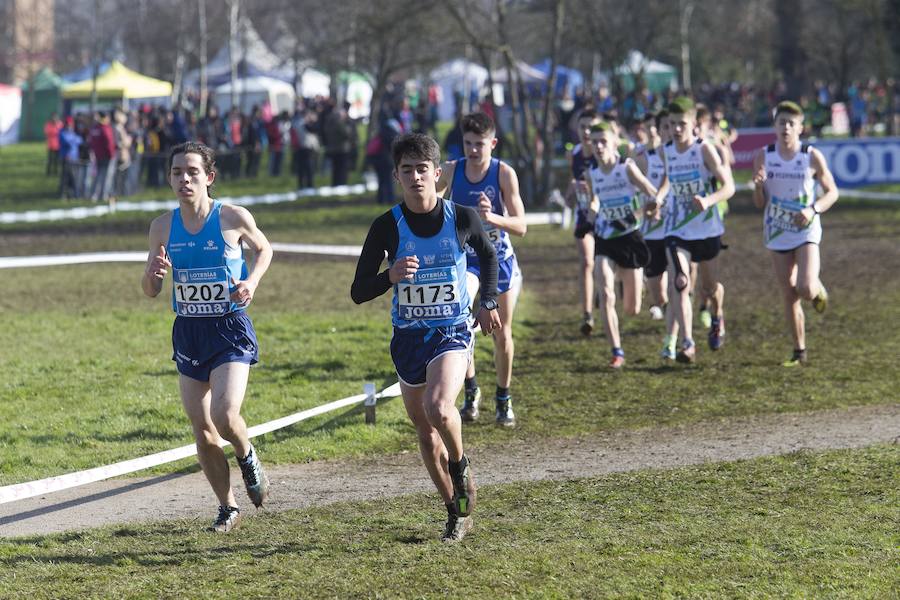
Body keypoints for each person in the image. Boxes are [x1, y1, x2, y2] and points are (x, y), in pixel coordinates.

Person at [351, 133, 501, 543]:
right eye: (407, 170)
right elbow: (358, 289)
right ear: (397, 176)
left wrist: (487, 300)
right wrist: (391, 276)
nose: (416, 177)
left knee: (439, 407)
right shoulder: (386, 226)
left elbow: (488, 256)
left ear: (437, 174)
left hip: (451, 330)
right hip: (407, 339)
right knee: (424, 430)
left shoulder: (461, 216)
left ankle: (461, 462)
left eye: (422, 169)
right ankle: (454, 509)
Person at [141, 141, 273, 533]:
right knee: (201, 428)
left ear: (209, 178)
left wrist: (251, 281)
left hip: (229, 327)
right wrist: (154, 275)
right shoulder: (162, 227)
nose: (184, 179)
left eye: (192, 172)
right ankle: (227, 507)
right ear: (169, 179)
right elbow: (149, 289)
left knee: (225, 415)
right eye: (177, 172)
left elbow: (264, 249)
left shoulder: (232, 217)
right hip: (188, 331)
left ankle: (247, 455)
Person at [436, 112, 526, 426]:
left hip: (499, 261)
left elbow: (521, 226)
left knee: (502, 333)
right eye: (468, 143)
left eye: (480, 144)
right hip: (466, 263)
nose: (473, 150)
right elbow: (427, 203)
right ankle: (471, 391)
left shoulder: (504, 174)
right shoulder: (451, 170)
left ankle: (504, 397)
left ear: (493, 143)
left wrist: (493, 218)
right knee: (463, 326)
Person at [752, 100, 838, 366]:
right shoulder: (764, 155)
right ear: (775, 126)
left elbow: (832, 192)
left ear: (801, 128)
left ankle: (817, 290)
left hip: (805, 229)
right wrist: (758, 187)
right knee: (788, 294)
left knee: (804, 287)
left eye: (791, 123)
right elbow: (760, 204)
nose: (786, 128)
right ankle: (799, 351)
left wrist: (813, 210)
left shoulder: (810, 156)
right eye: (781, 123)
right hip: (777, 231)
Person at [657, 97, 735, 363]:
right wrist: (657, 199)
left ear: (693, 124)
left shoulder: (704, 150)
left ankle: (717, 316)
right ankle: (687, 342)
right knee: (680, 282)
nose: (676, 129)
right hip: (676, 229)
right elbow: (668, 180)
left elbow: (729, 187)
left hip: (707, 229)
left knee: (710, 287)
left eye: (681, 124)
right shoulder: (664, 150)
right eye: (671, 124)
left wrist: (708, 200)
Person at [586, 121, 660, 368]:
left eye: (603, 141)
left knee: (631, 309)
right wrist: (592, 212)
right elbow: (594, 199)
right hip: (605, 239)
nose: (598, 146)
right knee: (605, 292)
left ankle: (635, 288)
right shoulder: (591, 173)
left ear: (614, 142)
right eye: (594, 141)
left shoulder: (626, 168)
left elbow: (652, 193)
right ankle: (616, 351)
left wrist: (643, 212)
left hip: (629, 237)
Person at [565, 108, 603, 335]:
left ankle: (602, 288)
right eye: (583, 127)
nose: (587, 132)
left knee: (605, 262)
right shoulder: (576, 153)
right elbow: (573, 181)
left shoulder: (605, 152)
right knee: (587, 262)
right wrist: (571, 193)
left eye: (591, 127)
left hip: (606, 216)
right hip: (583, 215)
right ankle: (587, 314)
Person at [635, 110, 671, 325]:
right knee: (659, 292)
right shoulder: (641, 158)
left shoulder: (686, 155)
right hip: (652, 229)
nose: (656, 131)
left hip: (679, 228)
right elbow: (633, 194)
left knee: (681, 279)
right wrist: (644, 210)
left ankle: (678, 334)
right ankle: (668, 312)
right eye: (661, 126)